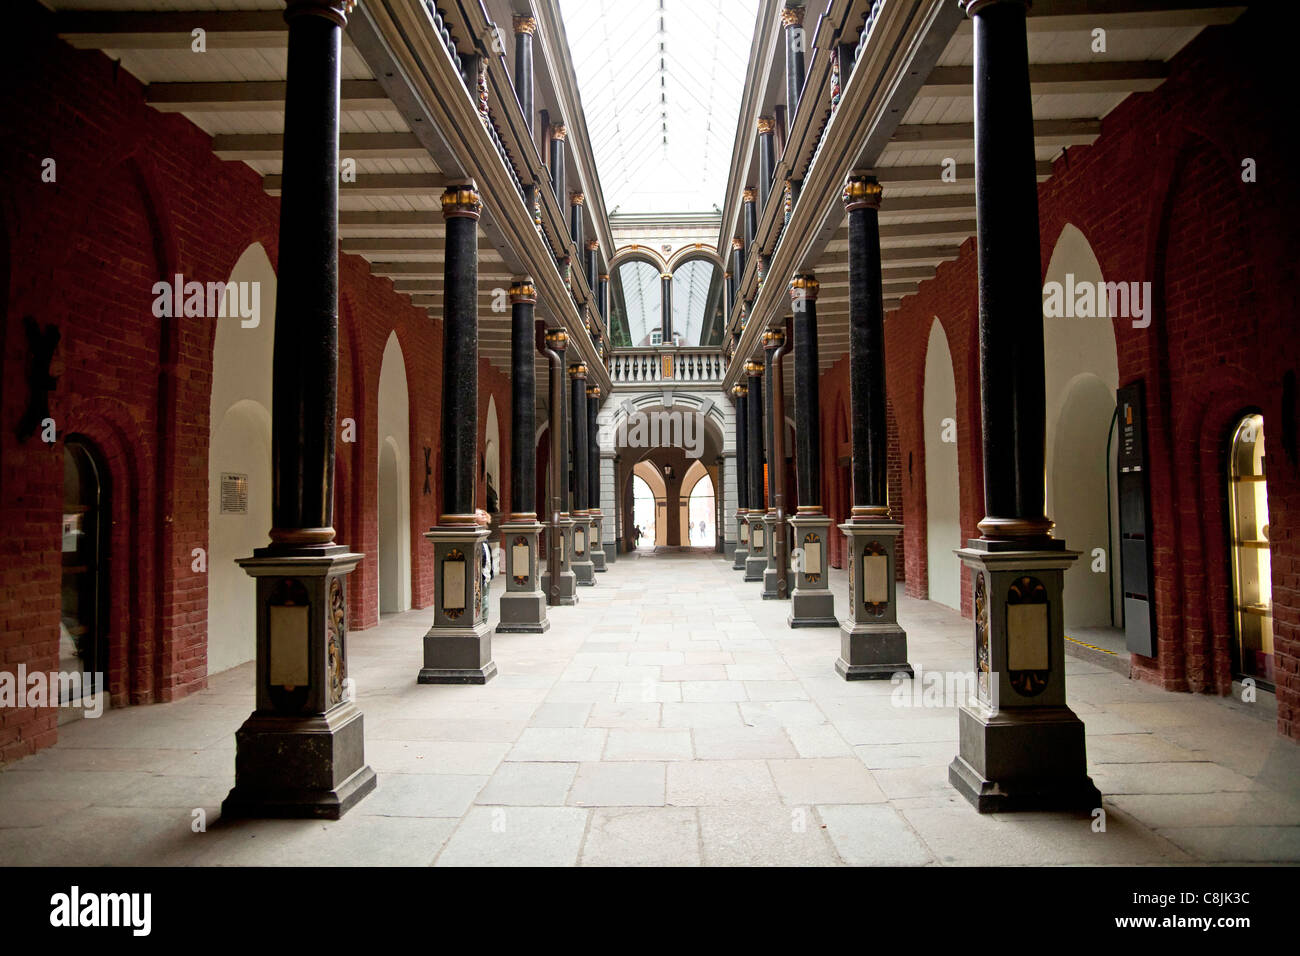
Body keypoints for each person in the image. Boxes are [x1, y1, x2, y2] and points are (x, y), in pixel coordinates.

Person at [475, 508, 493, 622]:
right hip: (480, 576)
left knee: (485, 600)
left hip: (486, 575)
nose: (483, 514)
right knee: (482, 601)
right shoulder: (475, 534)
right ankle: (481, 622)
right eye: (479, 513)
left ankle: (483, 621)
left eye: (483, 513)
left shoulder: (484, 535)